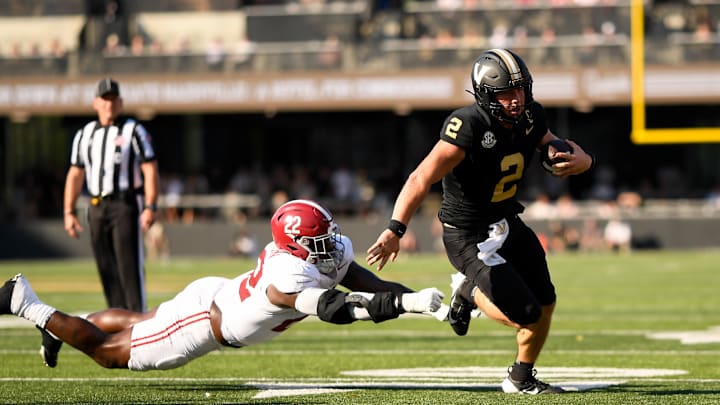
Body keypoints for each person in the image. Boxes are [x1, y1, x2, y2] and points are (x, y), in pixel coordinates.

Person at [366, 48, 595, 395]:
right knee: (525, 315)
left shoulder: (532, 116)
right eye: (505, 93)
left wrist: (582, 161)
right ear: (486, 95)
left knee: (546, 301)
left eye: (520, 90)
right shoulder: (469, 126)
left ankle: (520, 378)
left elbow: (554, 145)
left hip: (507, 222)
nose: (516, 100)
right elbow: (420, 178)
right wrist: (395, 228)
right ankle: (468, 291)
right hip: (468, 235)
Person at [1, 200, 444, 371]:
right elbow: (338, 309)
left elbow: (372, 283)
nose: (331, 245)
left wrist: (421, 302)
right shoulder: (287, 275)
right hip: (204, 323)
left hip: (217, 295)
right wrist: (408, 308)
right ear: (295, 244)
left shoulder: (316, 252)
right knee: (110, 353)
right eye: (319, 240)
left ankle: (56, 326)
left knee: (136, 321)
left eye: (329, 235)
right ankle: (28, 305)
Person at [63, 78, 160, 313]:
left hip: (124, 204)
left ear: (121, 102)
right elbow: (75, 173)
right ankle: (117, 322)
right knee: (106, 267)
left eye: (113, 99)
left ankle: (138, 321)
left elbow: (149, 168)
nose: (109, 104)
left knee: (129, 267)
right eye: (104, 99)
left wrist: (150, 206)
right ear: (96, 102)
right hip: (96, 206)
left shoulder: (133, 130)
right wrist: (68, 211)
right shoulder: (85, 134)